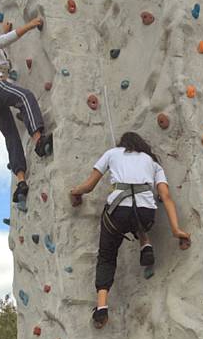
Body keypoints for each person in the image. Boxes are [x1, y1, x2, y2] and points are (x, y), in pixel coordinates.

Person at [70, 132, 191, 328]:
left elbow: (90, 185)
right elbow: (166, 196)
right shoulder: (153, 163)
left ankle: (101, 307)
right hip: (146, 215)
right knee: (138, 218)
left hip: (117, 213)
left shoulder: (112, 153)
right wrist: (176, 229)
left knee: (107, 256)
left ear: (122, 144)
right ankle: (146, 243)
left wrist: (75, 192)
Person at [0, 18, 51, 206]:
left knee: (11, 136)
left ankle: (21, 182)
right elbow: (1, 41)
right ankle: (38, 140)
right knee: (25, 97)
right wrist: (30, 25)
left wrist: (0, 31)